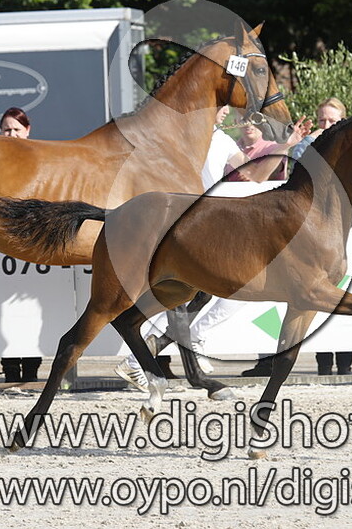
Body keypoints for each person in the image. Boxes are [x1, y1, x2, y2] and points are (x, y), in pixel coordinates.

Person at [114, 106, 311, 388]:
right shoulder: (183, 135)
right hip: (183, 222)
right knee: (194, 294)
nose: (226, 110)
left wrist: (285, 146)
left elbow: (255, 174)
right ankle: (153, 355)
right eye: (221, 104)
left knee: (201, 295)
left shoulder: (222, 139)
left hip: (205, 222)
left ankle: (145, 357)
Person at [291, 97, 352, 376]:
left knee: (340, 290)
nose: (326, 125)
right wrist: (309, 142)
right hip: (313, 228)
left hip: (340, 226)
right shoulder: (309, 144)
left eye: (332, 121)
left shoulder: (351, 146)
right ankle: (323, 360)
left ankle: (345, 358)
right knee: (316, 289)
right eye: (322, 120)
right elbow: (295, 171)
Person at [0, 107, 42, 383]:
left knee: (34, 311)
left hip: (35, 247)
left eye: (16, 129)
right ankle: (10, 368)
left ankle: (33, 368)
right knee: (7, 312)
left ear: (27, 130)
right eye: (6, 129)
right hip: (4, 246)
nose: (11, 134)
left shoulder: (41, 157)